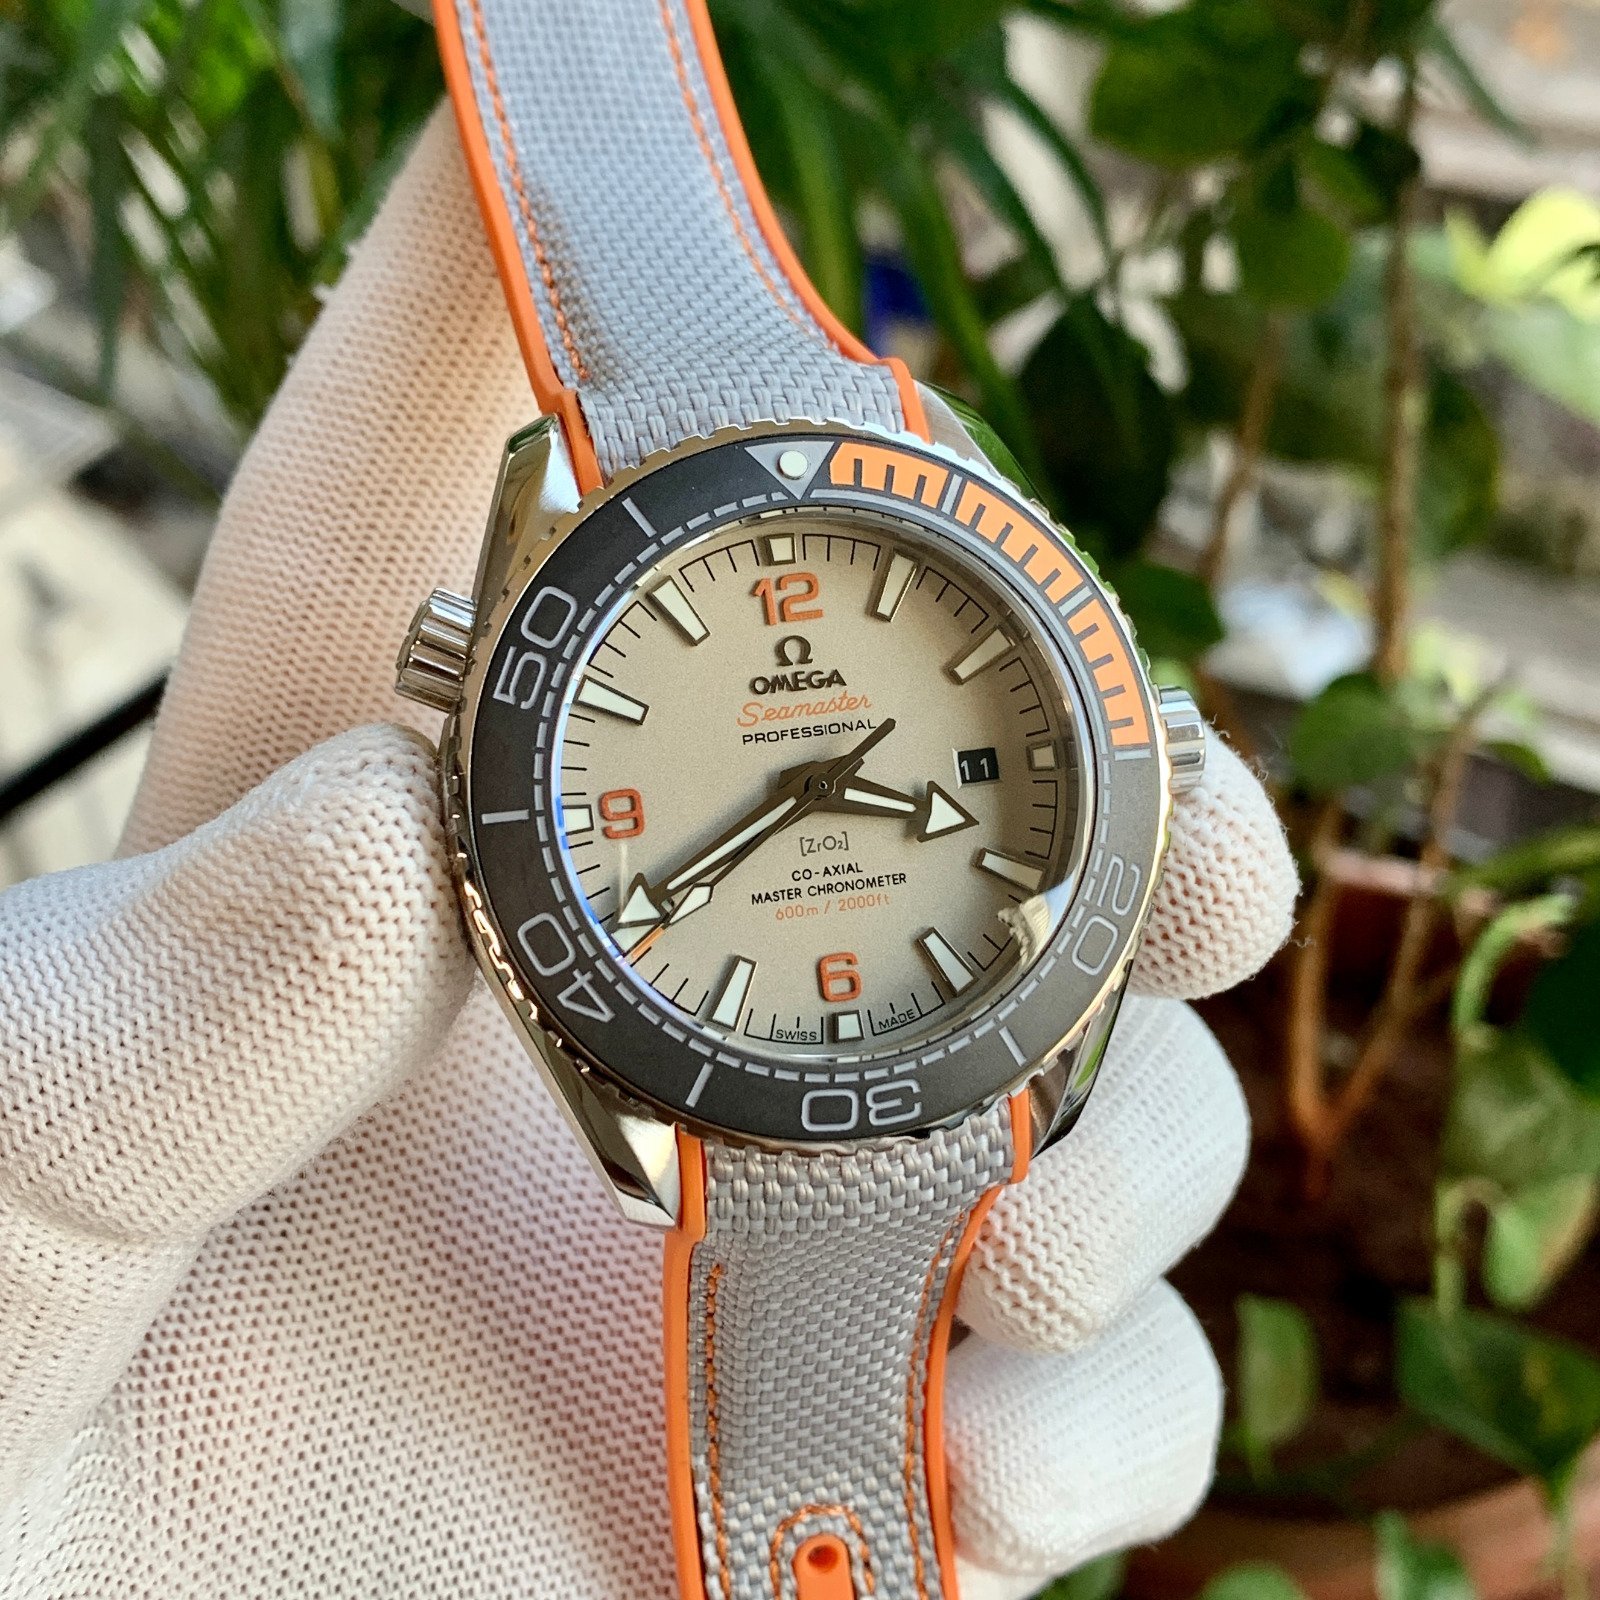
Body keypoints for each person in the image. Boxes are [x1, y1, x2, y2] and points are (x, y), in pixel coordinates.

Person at [0, 109, 1297, 1600]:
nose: (815, 785)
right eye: (808, 782)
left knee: (1042, 1276)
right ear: (463, 671)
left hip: (900, 1025)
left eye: (828, 776)